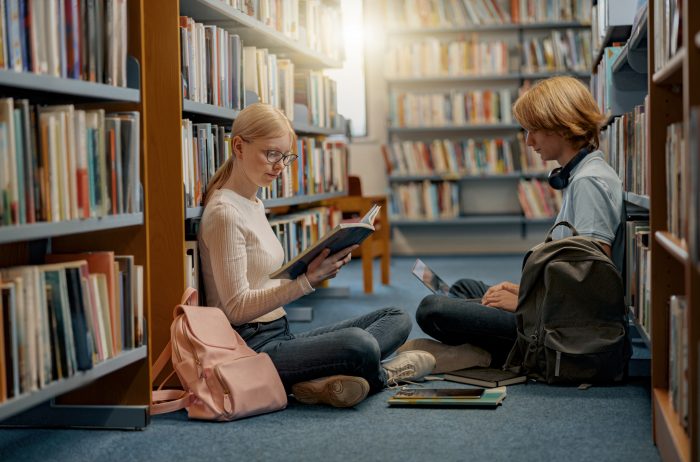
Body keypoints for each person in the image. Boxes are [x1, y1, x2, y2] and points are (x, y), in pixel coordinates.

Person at [198, 103, 435, 408]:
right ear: (239, 147)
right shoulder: (224, 212)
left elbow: (262, 279)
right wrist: (306, 282)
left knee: (396, 317)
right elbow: (234, 309)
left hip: (280, 333)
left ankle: (324, 379)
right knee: (358, 345)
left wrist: (313, 267)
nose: (280, 166)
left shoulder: (254, 202)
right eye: (271, 154)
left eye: (285, 157)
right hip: (251, 349)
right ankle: (383, 375)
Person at [402, 76, 624, 370]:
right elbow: (572, 272)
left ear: (560, 125)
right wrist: (524, 291)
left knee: (432, 309)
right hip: (550, 309)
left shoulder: (589, 183)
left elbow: (592, 288)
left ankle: (485, 354)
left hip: (561, 328)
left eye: (533, 131)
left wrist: (524, 303)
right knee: (467, 288)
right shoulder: (582, 174)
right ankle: (473, 349)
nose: (529, 141)